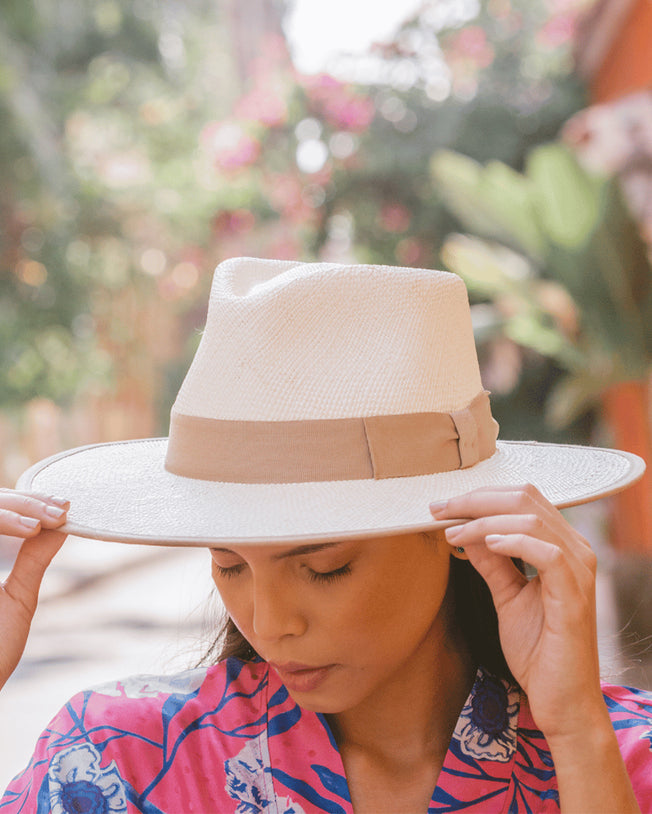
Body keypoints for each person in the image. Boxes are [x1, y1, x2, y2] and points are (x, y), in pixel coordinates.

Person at [0, 257, 650, 814]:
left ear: (458, 532)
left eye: (325, 567)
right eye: (229, 566)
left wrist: (577, 735)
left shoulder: (624, 757)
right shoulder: (118, 764)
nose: (269, 622)